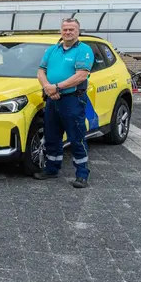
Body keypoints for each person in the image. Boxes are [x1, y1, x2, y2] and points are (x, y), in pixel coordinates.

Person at [36, 18, 94, 188]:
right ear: (61, 31)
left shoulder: (84, 50)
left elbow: (81, 75)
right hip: (52, 99)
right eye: (65, 29)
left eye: (71, 29)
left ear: (78, 31)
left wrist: (56, 87)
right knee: (51, 136)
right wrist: (48, 88)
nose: (68, 32)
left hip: (72, 99)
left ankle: (82, 174)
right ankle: (51, 169)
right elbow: (41, 71)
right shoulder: (52, 50)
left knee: (76, 137)